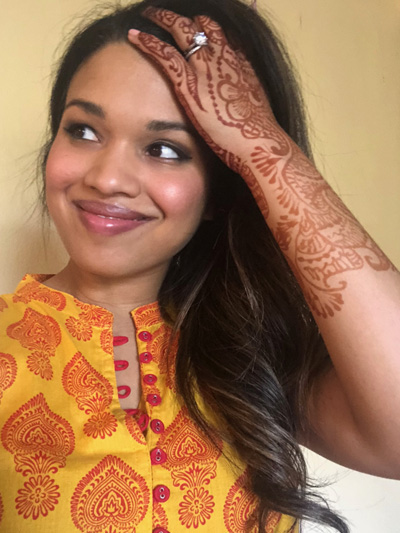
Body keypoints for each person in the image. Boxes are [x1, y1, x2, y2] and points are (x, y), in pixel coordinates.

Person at [0, 0, 399, 531]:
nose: (107, 178)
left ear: (219, 192)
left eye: (165, 149)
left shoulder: (254, 355)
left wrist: (262, 146)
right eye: (84, 131)